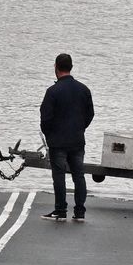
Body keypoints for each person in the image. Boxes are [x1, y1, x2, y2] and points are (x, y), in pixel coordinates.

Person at [39, 53, 94, 222]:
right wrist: (80, 128)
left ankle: (60, 210)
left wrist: (50, 136)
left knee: (59, 176)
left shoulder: (52, 91)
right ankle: (80, 212)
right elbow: (90, 114)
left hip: (58, 141)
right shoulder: (84, 89)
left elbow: (45, 118)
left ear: (56, 67)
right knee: (79, 175)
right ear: (71, 67)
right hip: (77, 140)